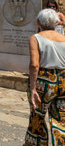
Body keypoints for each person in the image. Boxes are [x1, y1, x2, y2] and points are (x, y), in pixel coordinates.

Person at [25, 9, 65, 145]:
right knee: (61, 118)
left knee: (38, 118)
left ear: (38, 22)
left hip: (44, 80)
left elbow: (34, 65)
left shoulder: (36, 38)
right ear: (57, 23)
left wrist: (32, 88)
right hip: (63, 78)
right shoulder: (64, 38)